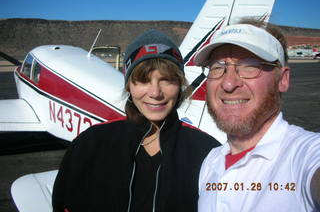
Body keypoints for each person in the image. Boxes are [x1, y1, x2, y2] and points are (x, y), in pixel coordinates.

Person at [52, 29, 220, 212]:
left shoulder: (206, 152)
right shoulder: (89, 144)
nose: (155, 93)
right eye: (143, 80)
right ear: (129, 85)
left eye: (167, 80)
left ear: (180, 85)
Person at [194, 20, 320, 211]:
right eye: (217, 67)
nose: (228, 84)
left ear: (283, 79)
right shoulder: (211, 162)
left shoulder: (305, 155)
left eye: (249, 66)